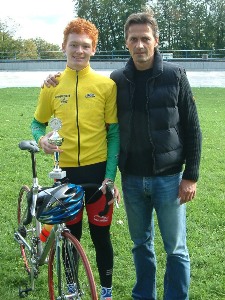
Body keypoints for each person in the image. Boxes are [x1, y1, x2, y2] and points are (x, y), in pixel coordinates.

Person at [43, 8, 202, 300]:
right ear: (126, 43)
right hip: (131, 179)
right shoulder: (116, 80)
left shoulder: (175, 75)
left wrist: (190, 176)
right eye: (133, 39)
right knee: (141, 244)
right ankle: (144, 295)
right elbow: (88, 95)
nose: (139, 45)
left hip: (169, 178)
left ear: (155, 40)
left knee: (176, 249)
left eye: (145, 38)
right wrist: (54, 78)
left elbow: (192, 127)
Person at [31, 17, 119, 300]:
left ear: (93, 49)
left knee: (101, 237)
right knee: (70, 238)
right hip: (65, 172)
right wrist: (41, 139)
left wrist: (110, 175)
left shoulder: (106, 86)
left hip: (98, 174)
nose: (79, 51)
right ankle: (72, 287)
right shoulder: (51, 85)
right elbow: (37, 123)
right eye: (74, 45)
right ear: (63, 47)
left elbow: (114, 134)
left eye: (85, 46)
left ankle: (105, 292)